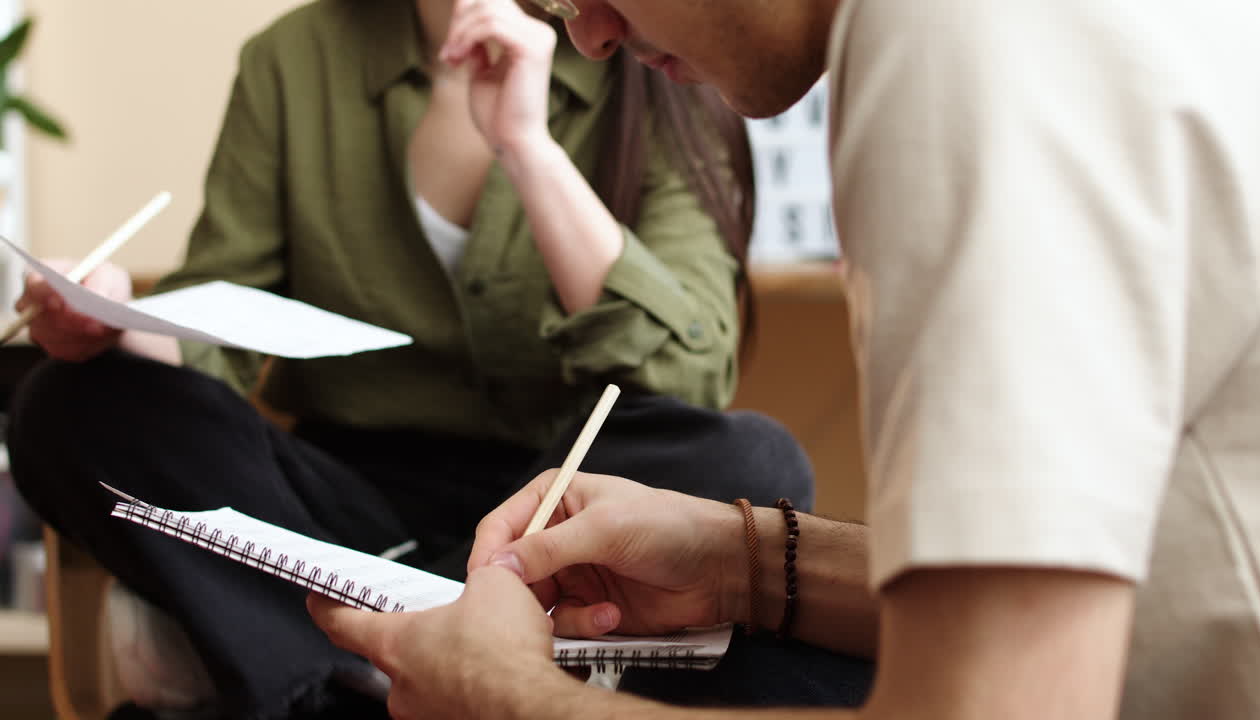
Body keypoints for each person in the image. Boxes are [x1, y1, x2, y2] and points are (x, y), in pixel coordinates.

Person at [308, 0, 1260, 719]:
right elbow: (1097, 581)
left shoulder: (957, 43)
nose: (590, 34)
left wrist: (502, 697)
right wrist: (745, 563)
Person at [6, 0, 816, 717]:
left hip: (564, 501)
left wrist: (528, 148)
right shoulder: (293, 57)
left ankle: (311, 663)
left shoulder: (644, 42)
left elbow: (692, 372)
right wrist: (110, 321)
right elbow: (213, 337)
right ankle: (388, 667)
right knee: (65, 402)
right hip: (341, 507)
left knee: (752, 460)